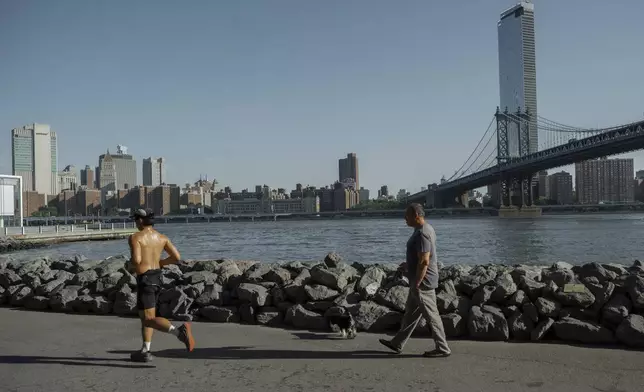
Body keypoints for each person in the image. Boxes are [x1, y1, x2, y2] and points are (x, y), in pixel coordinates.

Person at [379, 203, 451, 358]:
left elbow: (424, 261)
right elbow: (422, 257)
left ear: (417, 215)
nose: (405, 218)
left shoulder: (422, 234)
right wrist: (409, 265)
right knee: (410, 314)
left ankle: (443, 348)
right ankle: (397, 343)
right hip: (418, 279)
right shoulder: (425, 229)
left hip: (422, 282)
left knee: (432, 316)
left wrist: (418, 282)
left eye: (407, 215)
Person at [128, 208, 195, 362]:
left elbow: (137, 260)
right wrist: (160, 262)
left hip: (145, 279)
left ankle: (179, 332)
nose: (135, 222)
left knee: (147, 319)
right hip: (158, 277)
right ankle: (145, 350)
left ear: (139, 220)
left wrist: (131, 266)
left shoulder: (135, 237)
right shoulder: (161, 237)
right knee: (148, 316)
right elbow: (176, 257)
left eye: (135, 219)